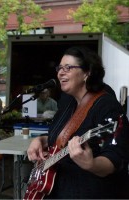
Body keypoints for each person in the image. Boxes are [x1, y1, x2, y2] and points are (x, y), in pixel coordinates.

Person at [26, 46, 129, 199]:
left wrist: (91, 164)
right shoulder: (67, 101)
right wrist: (41, 140)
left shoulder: (107, 106)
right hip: (57, 190)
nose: (61, 72)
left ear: (87, 72)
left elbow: (115, 158)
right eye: (60, 68)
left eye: (68, 68)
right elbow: (60, 140)